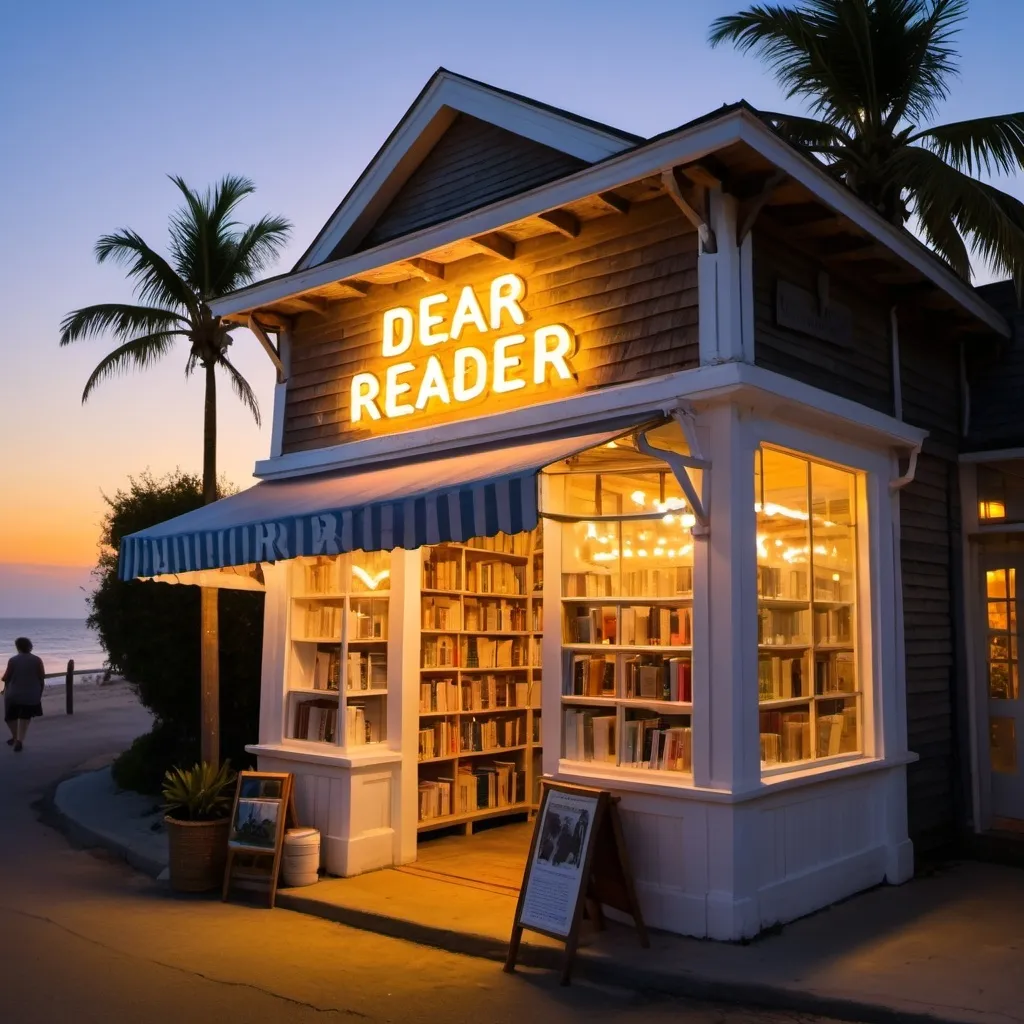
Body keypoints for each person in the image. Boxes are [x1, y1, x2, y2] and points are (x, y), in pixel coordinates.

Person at [2, 637, 45, 752]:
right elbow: (42, 676)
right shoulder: (37, 660)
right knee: (25, 718)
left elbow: (5, 677)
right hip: (32, 695)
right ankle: (20, 740)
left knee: (10, 718)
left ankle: (15, 737)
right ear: (29, 646)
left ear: (17, 647)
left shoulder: (13, 660)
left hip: (14, 694)